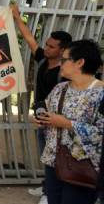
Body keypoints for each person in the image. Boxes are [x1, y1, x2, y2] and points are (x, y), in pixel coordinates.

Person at [11, 4, 72, 204]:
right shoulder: (44, 60)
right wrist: (17, 18)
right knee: (47, 156)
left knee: (58, 158)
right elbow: (29, 39)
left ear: (63, 50)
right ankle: (48, 186)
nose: (46, 48)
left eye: (51, 46)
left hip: (57, 121)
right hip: (42, 118)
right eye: (46, 44)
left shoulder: (66, 72)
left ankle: (51, 193)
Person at [35, 39, 104, 204]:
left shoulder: (100, 94)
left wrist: (67, 123)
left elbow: (101, 134)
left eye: (64, 60)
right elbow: (48, 113)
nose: (60, 63)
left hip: (83, 166)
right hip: (54, 161)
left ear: (80, 62)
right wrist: (41, 120)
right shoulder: (60, 88)